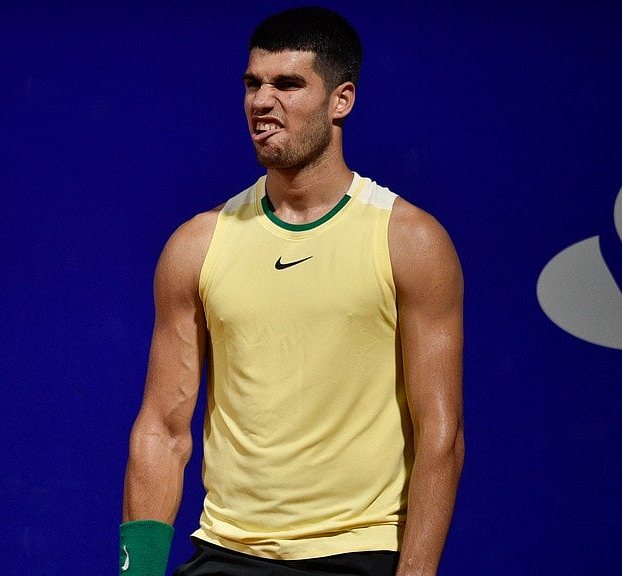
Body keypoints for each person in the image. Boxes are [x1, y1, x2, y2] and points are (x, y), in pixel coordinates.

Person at [120, 6, 464, 576]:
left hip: (357, 554)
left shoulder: (410, 241)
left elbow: (440, 435)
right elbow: (162, 428)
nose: (261, 101)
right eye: (253, 84)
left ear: (341, 100)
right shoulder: (198, 245)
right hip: (226, 553)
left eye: (287, 84)